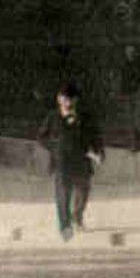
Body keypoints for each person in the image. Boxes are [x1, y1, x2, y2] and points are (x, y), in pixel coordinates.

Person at [39, 83, 104, 241]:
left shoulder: (85, 118)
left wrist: (99, 152)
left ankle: (77, 216)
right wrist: (54, 148)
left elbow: (95, 136)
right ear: (58, 100)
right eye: (62, 99)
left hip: (81, 160)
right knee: (63, 194)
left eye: (69, 99)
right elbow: (42, 137)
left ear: (75, 100)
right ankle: (65, 226)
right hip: (62, 162)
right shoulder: (53, 117)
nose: (65, 102)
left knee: (83, 192)